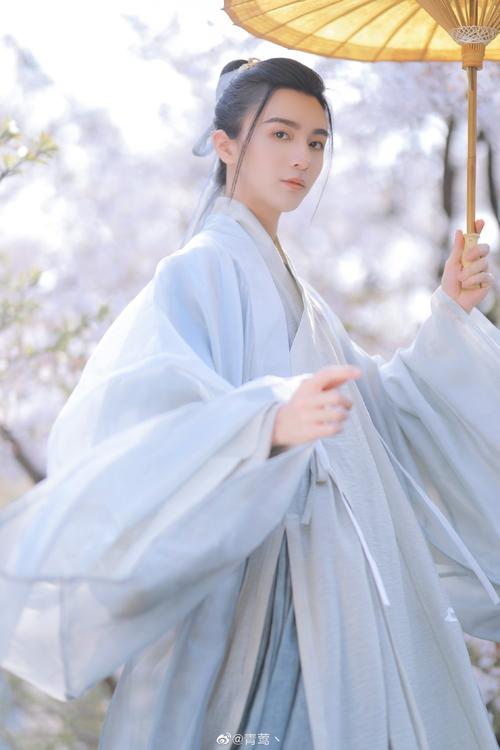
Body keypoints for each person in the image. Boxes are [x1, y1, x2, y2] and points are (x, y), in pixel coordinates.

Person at [0, 56, 499, 750]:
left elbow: (381, 410)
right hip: (264, 588)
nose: (302, 158)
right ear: (227, 143)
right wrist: (265, 421)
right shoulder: (200, 269)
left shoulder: (307, 299)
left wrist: (448, 313)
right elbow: (142, 419)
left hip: (340, 587)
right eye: (281, 135)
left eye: (317, 142)